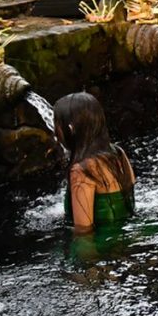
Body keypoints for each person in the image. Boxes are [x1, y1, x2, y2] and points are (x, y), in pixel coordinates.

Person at [54, 92, 136, 233]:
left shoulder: (81, 171)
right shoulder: (118, 153)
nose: (55, 131)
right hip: (127, 231)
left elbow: (83, 230)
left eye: (56, 123)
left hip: (104, 245)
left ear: (71, 129)